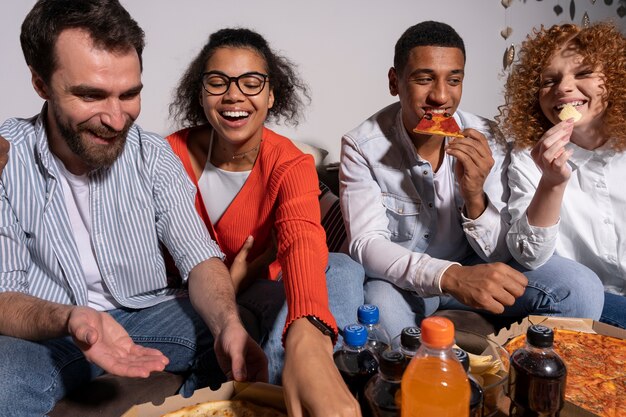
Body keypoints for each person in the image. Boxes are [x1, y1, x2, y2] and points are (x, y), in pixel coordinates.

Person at [0, 1, 267, 415]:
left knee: (238, 328)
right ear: (40, 83)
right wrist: (73, 320)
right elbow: (4, 296)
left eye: (129, 94)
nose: (115, 118)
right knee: (5, 381)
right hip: (48, 330)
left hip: (146, 317)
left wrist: (226, 324)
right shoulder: (5, 158)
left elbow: (198, 257)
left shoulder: (153, 154)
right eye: (91, 95)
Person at [339, 20, 605, 340]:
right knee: (381, 316)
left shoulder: (488, 135)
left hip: (476, 265)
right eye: (424, 79)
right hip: (402, 280)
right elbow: (365, 245)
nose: (440, 97)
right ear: (395, 81)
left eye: (454, 80)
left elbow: (501, 255)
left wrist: (475, 196)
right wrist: (450, 277)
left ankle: (525, 375)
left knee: (582, 289)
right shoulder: (361, 145)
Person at [167, 28, 364, 417]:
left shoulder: (289, 164)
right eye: (217, 82)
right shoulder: (167, 156)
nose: (234, 95)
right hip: (191, 301)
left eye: (251, 82)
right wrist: (228, 284)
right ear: (201, 93)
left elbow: (303, 239)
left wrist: (307, 332)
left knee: (341, 267)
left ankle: (281, 386)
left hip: (266, 293)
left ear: (272, 94)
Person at [499, 22, 626, 329]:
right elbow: (530, 258)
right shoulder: (527, 157)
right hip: (581, 298)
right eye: (549, 81)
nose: (564, 88)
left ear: (615, 81)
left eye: (582, 74)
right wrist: (552, 183)